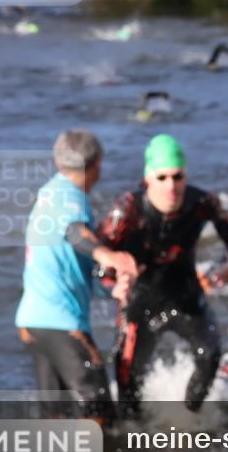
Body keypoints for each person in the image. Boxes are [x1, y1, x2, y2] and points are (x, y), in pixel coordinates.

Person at [98, 134, 228, 415]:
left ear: (186, 175)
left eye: (178, 177)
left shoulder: (202, 202)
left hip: (184, 295)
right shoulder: (128, 209)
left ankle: (190, 416)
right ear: (148, 177)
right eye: (162, 177)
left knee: (210, 356)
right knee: (127, 375)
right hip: (140, 302)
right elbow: (100, 260)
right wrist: (115, 283)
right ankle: (132, 437)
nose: (171, 186)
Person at [15, 130, 139, 425]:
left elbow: (70, 261)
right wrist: (108, 256)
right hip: (61, 325)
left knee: (55, 416)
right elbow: (75, 234)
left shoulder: (48, 195)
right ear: (96, 166)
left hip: (32, 322)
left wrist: (110, 291)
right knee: (100, 411)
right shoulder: (69, 197)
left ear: (59, 162)